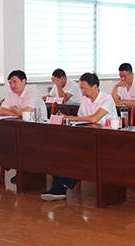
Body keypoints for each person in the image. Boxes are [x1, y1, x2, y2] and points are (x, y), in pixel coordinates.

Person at [42, 72, 118, 201]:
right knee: (61, 149)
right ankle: (58, 186)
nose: (82, 91)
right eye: (81, 88)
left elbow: (94, 119)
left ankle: (60, 187)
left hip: (106, 140)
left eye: (84, 88)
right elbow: (81, 119)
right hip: (88, 136)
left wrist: (69, 117)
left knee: (79, 155)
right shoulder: (85, 99)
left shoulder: (107, 99)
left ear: (95, 86)